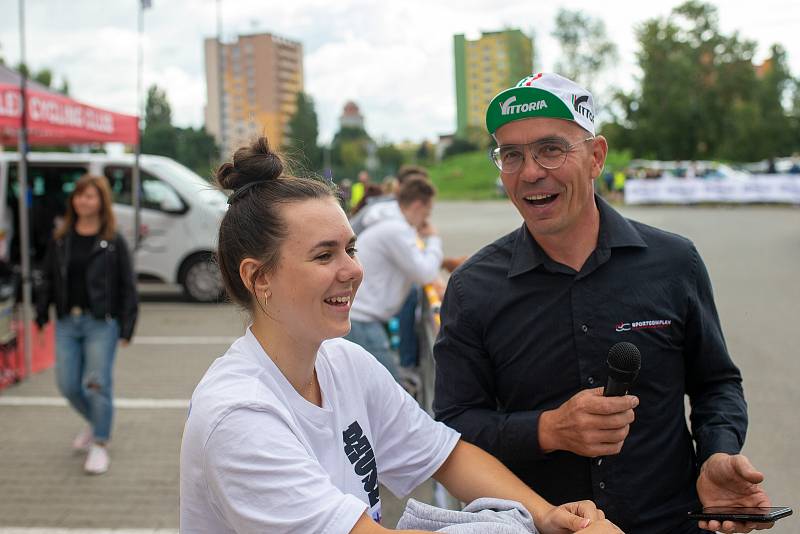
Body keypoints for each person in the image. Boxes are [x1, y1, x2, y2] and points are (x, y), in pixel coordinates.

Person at [179, 136, 622, 534]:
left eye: (350, 248)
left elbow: (444, 456)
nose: (354, 269)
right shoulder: (239, 416)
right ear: (260, 279)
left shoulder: (345, 363)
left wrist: (546, 515)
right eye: (323, 255)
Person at [433, 73, 773, 534]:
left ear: (596, 157)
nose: (530, 171)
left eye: (551, 149)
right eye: (511, 154)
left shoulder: (674, 262)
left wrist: (716, 453)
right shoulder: (474, 288)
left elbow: (716, 383)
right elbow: (452, 427)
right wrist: (548, 429)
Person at [36, 174, 138, 475]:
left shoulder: (112, 241)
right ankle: (97, 423)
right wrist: (42, 312)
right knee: (68, 385)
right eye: (79, 195)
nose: (83, 200)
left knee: (97, 385)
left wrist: (128, 325)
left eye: (90, 196)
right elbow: (48, 279)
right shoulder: (61, 239)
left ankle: (100, 444)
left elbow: (127, 286)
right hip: (68, 321)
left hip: (100, 323)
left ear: (101, 201)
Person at [345, 176, 442, 379]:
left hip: (362, 318)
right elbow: (425, 273)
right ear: (417, 205)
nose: (426, 219)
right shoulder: (396, 230)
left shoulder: (389, 224)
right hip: (364, 320)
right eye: (427, 212)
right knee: (392, 391)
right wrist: (433, 239)